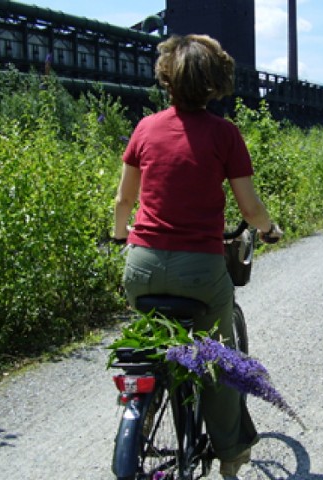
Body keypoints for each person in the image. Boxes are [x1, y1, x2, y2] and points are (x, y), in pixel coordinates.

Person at [112, 34, 283, 479]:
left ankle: (144, 401)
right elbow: (250, 209)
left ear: (167, 78)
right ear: (214, 83)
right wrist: (267, 230)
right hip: (200, 274)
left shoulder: (145, 128)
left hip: (141, 268)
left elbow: (122, 204)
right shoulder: (225, 134)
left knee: (152, 345)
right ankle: (230, 454)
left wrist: (119, 240)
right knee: (219, 359)